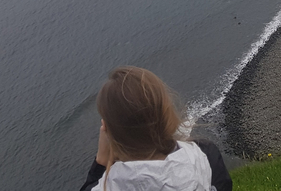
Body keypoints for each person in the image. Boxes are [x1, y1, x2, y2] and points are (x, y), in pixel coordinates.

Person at [79, 66, 232, 191]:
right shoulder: (204, 154)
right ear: (166, 112)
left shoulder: (110, 184)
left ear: (107, 131)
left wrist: (101, 164)